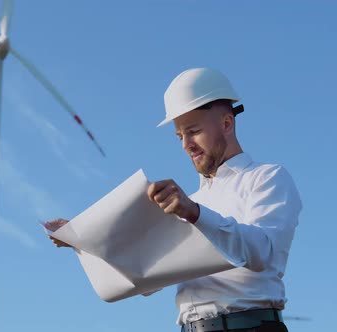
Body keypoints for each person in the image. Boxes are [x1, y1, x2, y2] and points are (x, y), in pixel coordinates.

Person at [46, 67, 302, 332]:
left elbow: (262, 252)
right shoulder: (192, 201)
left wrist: (194, 213)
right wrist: (84, 240)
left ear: (226, 124)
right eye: (180, 136)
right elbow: (147, 278)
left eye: (193, 131)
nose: (186, 145)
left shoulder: (267, 178)